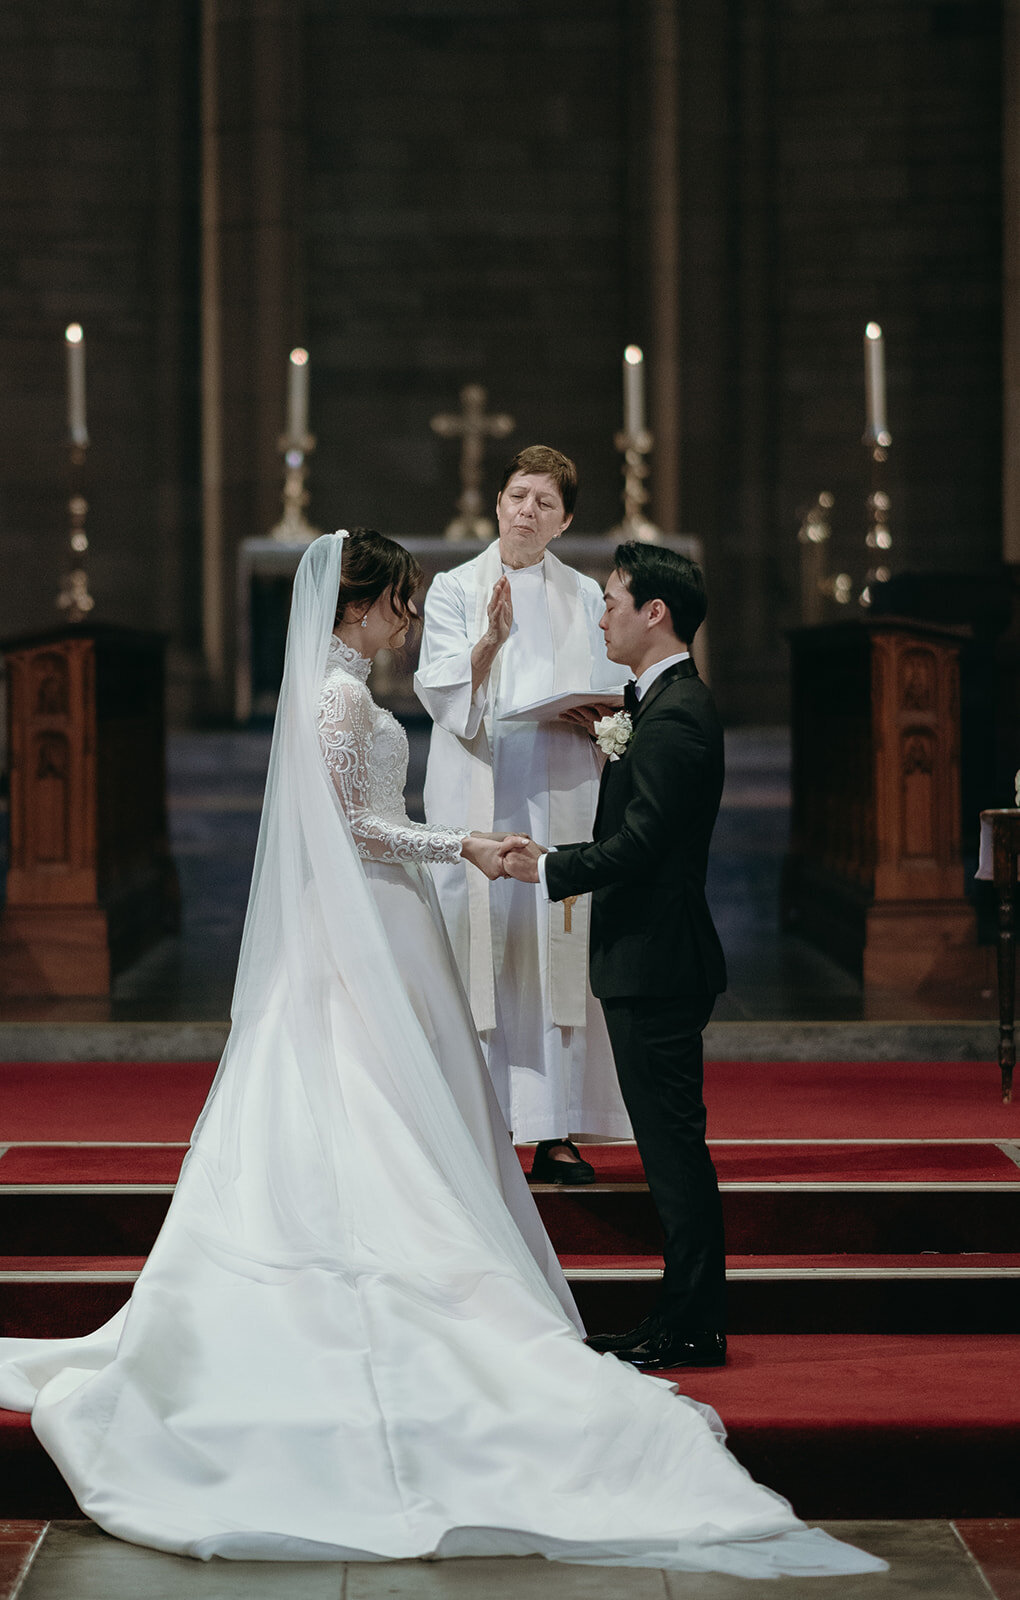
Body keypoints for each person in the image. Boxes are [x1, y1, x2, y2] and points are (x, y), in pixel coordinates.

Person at [0, 532, 885, 1580]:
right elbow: (358, 826)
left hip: (391, 919)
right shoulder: (334, 701)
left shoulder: (346, 693)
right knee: (360, 1100)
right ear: (357, 605)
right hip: (364, 921)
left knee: (399, 1103)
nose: (408, 620)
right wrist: (458, 844)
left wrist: (475, 844)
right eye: (400, 604)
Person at [501, 542, 730, 1372]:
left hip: (659, 960)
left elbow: (641, 846)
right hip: (647, 957)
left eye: (612, 600)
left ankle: (694, 1323)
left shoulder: (676, 716)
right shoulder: (656, 706)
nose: (602, 615)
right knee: (670, 1148)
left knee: (672, 1151)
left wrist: (549, 867)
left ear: (654, 613)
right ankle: (682, 1315)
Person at [415, 445, 630, 1183]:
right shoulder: (453, 588)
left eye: (544, 502)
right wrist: (490, 643)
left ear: (565, 519)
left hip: (559, 796)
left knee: (551, 955)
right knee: (478, 949)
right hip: (480, 790)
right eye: (517, 496)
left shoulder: (585, 595)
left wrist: (597, 719)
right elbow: (443, 699)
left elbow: (613, 697)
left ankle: (553, 1128)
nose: (526, 512)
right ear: (497, 503)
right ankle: (474, 1130)